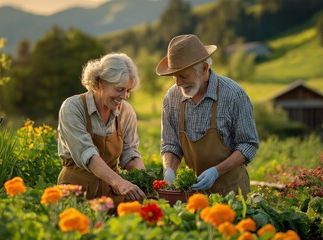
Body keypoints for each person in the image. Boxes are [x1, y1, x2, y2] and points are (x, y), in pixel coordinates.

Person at [156, 34, 259, 197]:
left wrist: (216, 172)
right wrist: (169, 170)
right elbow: (171, 144)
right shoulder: (172, 98)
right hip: (193, 194)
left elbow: (248, 145)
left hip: (233, 193)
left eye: (183, 76)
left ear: (204, 68)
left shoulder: (234, 95)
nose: (178, 83)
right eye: (174, 76)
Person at [57, 52, 147, 205]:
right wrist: (120, 183)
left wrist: (145, 179)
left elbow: (130, 153)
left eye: (128, 90)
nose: (124, 96)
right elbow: (88, 155)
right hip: (75, 194)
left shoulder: (126, 112)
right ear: (100, 83)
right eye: (119, 89)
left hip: (112, 195)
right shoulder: (73, 108)